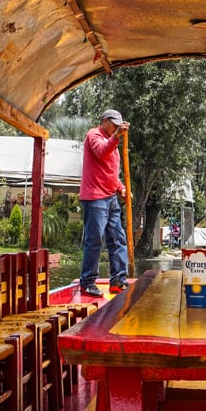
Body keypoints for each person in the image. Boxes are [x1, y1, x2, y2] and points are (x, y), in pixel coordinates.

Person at [77, 109, 129, 297]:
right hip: (95, 198)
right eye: (114, 124)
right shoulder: (94, 135)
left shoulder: (112, 144)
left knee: (117, 238)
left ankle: (118, 281)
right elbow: (100, 152)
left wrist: (121, 187)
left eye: (118, 126)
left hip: (110, 197)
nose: (116, 128)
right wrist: (116, 136)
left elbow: (109, 172)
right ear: (105, 121)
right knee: (95, 240)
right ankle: (88, 282)